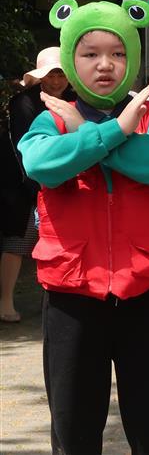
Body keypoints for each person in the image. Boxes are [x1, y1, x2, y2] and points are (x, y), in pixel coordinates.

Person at [18, 0, 149, 454]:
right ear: (71, 60)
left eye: (117, 52)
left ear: (132, 57)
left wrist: (88, 136)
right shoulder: (50, 119)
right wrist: (112, 132)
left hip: (147, 291)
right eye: (90, 53)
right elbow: (41, 164)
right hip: (73, 294)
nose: (104, 65)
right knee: (74, 428)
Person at [2, 47, 74, 323]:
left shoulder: (74, 100)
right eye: (51, 75)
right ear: (41, 77)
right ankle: (4, 301)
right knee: (18, 241)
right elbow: (23, 147)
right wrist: (37, 186)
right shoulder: (23, 103)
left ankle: (56, 300)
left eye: (61, 75)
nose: (56, 81)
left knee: (61, 242)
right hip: (23, 182)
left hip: (63, 181)